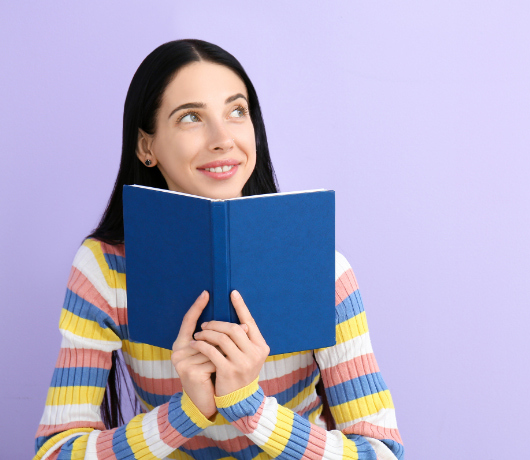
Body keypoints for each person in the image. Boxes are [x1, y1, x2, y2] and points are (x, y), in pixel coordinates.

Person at [34, 39, 404, 460]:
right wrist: (186, 412)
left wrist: (250, 406)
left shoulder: (323, 271)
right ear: (146, 146)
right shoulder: (105, 271)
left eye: (236, 111)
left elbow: (381, 452)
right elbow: (55, 453)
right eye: (191, 117)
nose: (223, 139)